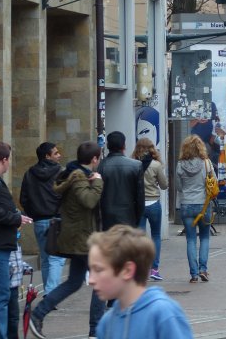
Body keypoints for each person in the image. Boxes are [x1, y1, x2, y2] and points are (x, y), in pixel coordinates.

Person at [29, 140, 105, 339]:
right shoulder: (79, 177)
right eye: (98, 158)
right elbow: (89, 201)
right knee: (102, 282)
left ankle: (38, 314)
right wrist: (97, 182)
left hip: (78, 238)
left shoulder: (75, 174)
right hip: (82, 239)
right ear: (94, 159)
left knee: (74, 282)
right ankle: (95, 330)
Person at [88, 226, 194, 339]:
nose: (90, 280)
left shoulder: (163, 314)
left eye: (98, 270)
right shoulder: (107, 323)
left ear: (127, 270)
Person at [0, 142, 32, 339]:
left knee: (2, 297)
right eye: (9, 159)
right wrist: (16, 218)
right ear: (4, 160)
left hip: (1, 245)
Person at [19, 142, 66, 293]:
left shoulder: (29, 173)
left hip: (39, 220)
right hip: (56, 219)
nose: (59, 155)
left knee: (46, 259)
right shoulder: (61, 172)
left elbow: (23, 199)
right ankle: (51, 293)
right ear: (47, 156)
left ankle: (48, 291)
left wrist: (33, 213)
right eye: (56, 153)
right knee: (57, 259)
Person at [176, 135, 212, 283]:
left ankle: (194, 274)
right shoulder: (206, 163)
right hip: (203, 204)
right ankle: (203, 269)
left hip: (186, 204)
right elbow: (213, 182)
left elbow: (178, 187)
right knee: (204, 237)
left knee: (190, 240)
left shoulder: (180, 165)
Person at [131, 138, 167, 281]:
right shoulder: (156, 165)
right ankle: (154, 269)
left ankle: (139, 269)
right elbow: (164, 185)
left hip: (138, 205)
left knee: (139, 238)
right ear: (152, 148)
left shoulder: (132, 164)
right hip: (153, 204)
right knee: (156, 236)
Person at [99, 131, 145, 230]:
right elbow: (140, 197)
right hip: (129, 216)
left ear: (108, 145)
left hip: (107, 216)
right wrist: (136, 219)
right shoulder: (136, 166)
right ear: (124, 145)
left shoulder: (100, 166)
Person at [8, 241, 33, 339]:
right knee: (5, 314)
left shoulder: (16, 242)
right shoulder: (3, 241)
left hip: (14, 285)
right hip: (4, 285)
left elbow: (18, 261)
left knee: (14, 316)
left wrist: (25, 267)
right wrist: (10, 267)